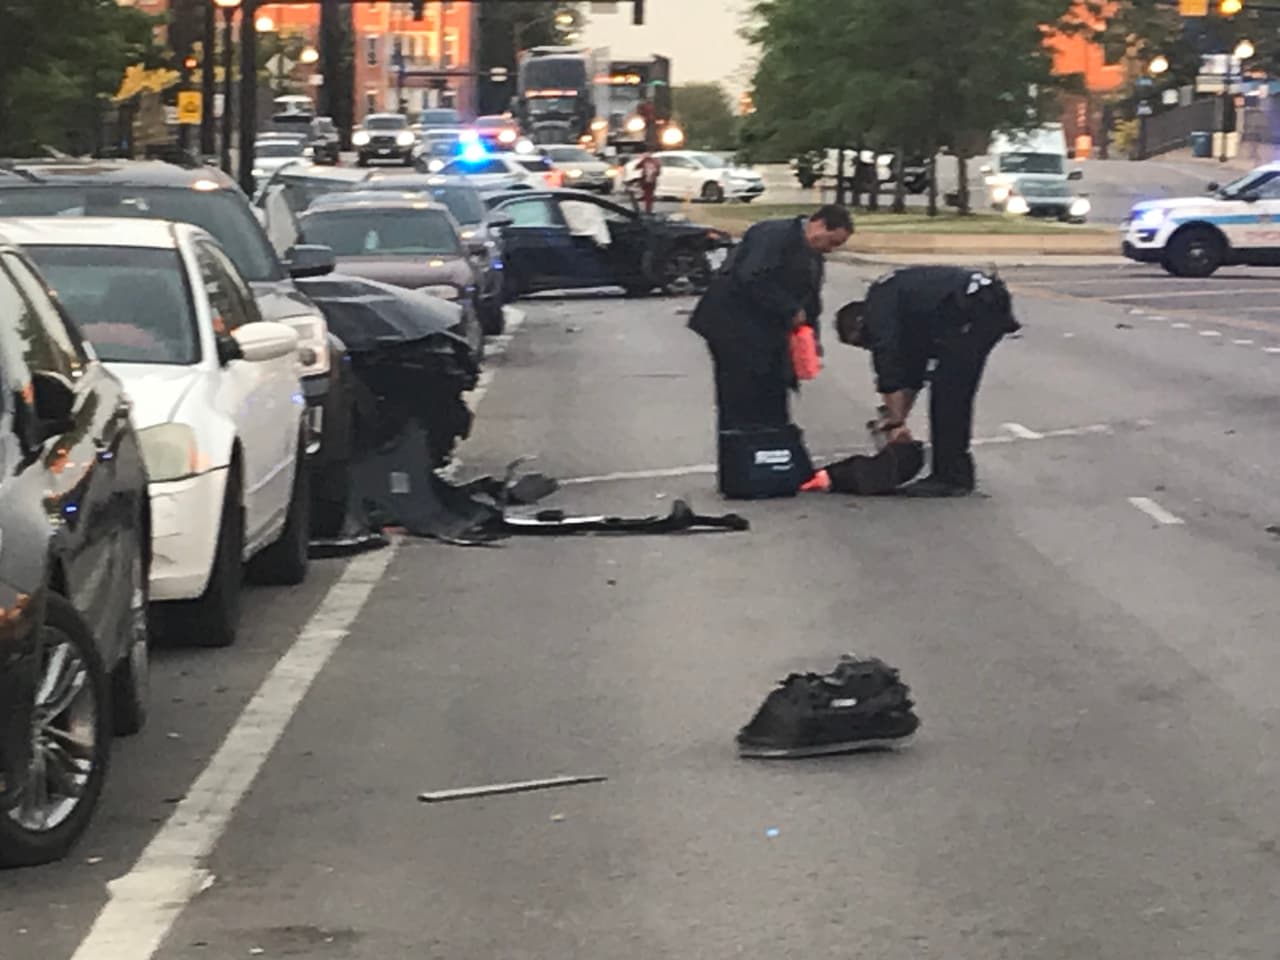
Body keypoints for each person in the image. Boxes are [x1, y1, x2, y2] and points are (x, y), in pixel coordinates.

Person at [834, 265, 1020, 497]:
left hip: (974, 308)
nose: (866, 347)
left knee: (949, 392)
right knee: (947, 386)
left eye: (861, 343)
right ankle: (953, 472)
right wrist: (897, 419)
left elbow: (887, 362)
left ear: (861, 324)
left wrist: (895, 423)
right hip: (976, 308)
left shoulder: (879, 307)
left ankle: (953, 478)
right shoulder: (909, 317)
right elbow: (913, 371)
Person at [689, 205, 853, 433]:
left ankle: (772, 439)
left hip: (768, 329)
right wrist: (789, 309)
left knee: (773, 389)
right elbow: (752, 276)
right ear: (820, 225)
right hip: (732, 325)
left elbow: (810, 300)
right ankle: (740, 446)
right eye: (831, 242)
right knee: (741, 395)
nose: (830, 250)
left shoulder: (813, 256)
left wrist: (811, 340)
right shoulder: (773, 235)